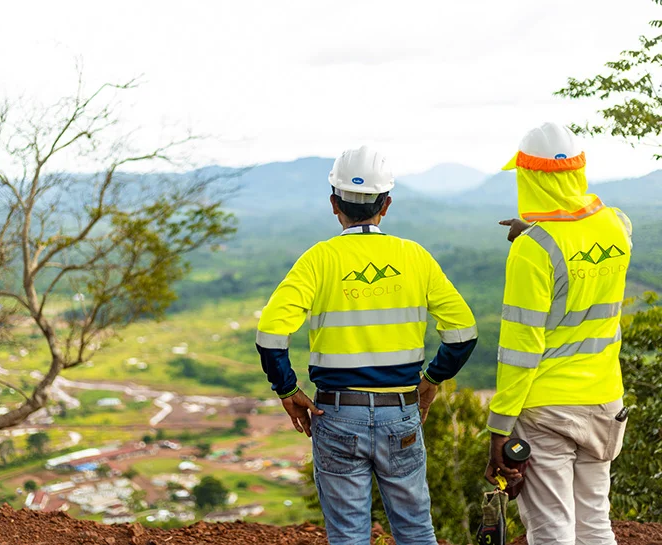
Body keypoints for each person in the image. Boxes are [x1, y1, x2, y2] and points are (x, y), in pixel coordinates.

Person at [255, 146, 478, 545]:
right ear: (386, 204)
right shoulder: (415, 257)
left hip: (337, 415)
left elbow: (270, 336)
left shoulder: (317, 260)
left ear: (333, 204)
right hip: (402, 414)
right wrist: (431, 380)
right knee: (415, 531)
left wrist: (287, 389)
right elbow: (462, 334)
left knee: (348, 536)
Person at [486, 122, 632, 545]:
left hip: (547, 408)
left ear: (528, 176)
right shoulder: (618, 227)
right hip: (605, 400)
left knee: (551, 529)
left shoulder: (532, 250)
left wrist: (499, 429)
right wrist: (534, 231)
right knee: (595, 522)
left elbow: (520, 349)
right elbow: (580, 242)